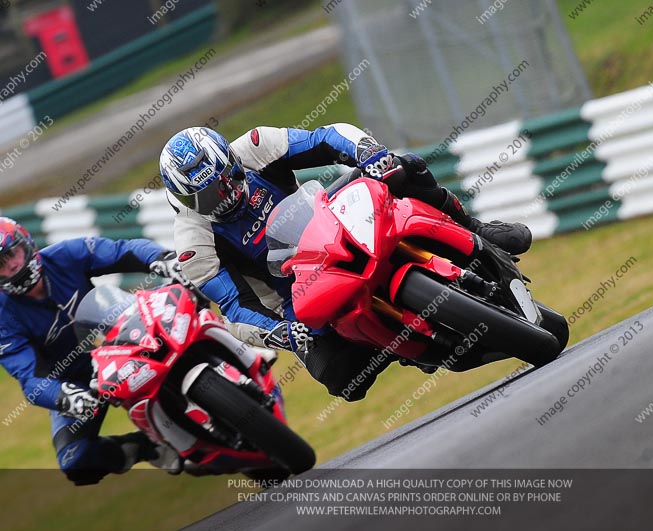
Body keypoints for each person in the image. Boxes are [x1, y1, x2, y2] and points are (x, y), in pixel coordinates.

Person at [159, 123, 532, 401]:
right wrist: (282, 333)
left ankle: (476, 229)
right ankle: (395, 341)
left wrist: (369, 153)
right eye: (208, 197)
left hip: (330, 222)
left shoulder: (256, 145)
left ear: (232, 161)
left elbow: (326, 138)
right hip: (296, 291)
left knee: (402, 167)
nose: (224, 197)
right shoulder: (193, 246)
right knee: (342, 380)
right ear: (184, 200)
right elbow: (235, 308)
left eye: (225, 180)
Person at [0, 218, 181, 485]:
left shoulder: (66, 254)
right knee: (76, 461)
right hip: (79, 384)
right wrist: (63, 396)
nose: (12, 266)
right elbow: (30, 378)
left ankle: (246, 367)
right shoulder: (3, 319)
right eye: (0, 265)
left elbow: (124, 250)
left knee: (185, 317)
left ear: (25, 244)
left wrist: (162, 258)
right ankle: (146, 446)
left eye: (11, 254)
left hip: (126, 343)